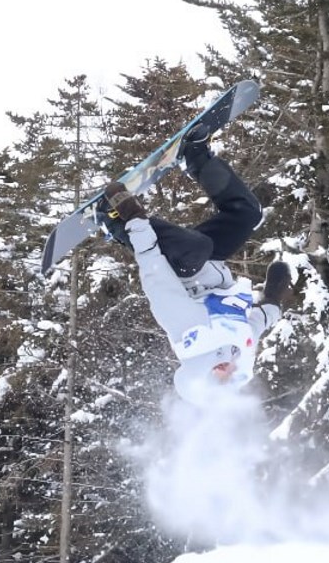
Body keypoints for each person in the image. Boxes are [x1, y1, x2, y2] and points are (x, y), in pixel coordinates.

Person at [96, 124, 292, 404]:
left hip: (179, 267)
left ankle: (112, 220)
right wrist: (274, 296)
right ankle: (196, 156)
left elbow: (155, 274)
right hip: (211, 262)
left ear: (199, 374)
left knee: (195, 250)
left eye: (215, 377)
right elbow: (260, 320)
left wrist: (132, 220)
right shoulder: (240, 345)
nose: (224, 371)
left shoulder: (190, 333)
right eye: (229, 378)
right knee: (248, 214)